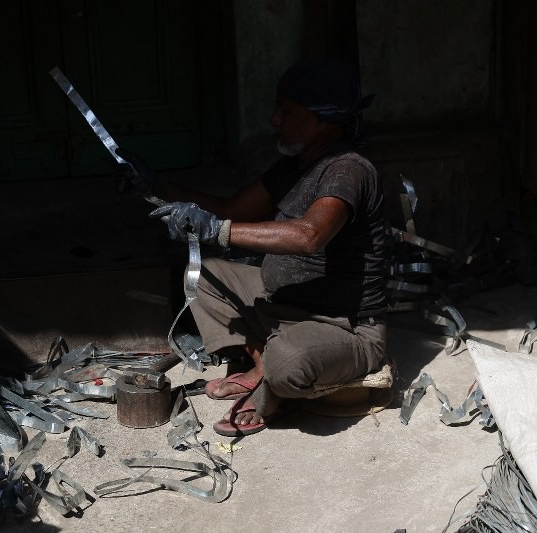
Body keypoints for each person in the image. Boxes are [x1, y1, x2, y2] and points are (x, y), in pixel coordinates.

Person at [119, 57, 388, 436]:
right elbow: (230, 209)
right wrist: (157, 186)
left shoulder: (348, 169)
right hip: (284, 305)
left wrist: (219, 230)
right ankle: (263, 363)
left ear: (321, 119)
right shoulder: (295, 166)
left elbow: (310, 236)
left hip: (343, 327)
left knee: (289, 361)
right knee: (206, 276)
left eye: (285, 110)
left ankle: (275, 387)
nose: (275, 120)